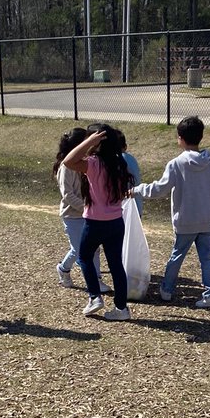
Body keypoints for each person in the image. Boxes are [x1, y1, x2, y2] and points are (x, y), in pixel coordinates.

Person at [132, 115, 210, 308]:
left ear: (180, 138)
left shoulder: (176, 164)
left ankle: (167, 289)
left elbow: (159, 189)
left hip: (185, 220)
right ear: (201, 136)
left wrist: (137, 190)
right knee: (206, 258)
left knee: (177, 255)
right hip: (206, 219)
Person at [62, 123, 132, 321]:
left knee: (84, 257)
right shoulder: (119, 163)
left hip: (95, 222)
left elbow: (68, 161)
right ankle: (121, 308)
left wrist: (88, 143)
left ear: (97, 142)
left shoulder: (93, 163)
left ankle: (95, 297)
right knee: (116, 265)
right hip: (116, 221)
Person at [53, 128, 104, 291]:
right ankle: (63, 269)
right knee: (79, 249)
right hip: (72, 216)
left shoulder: (86, 163)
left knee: (94, 248)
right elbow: (68, 195)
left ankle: (96, 279)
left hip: (88, 213)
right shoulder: (66, 167)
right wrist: (86, 207)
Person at [117, 130, 144, 218]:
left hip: (126, 207)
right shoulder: (131, 158)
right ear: (125, 146)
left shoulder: (119, 159)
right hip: (136, 205)